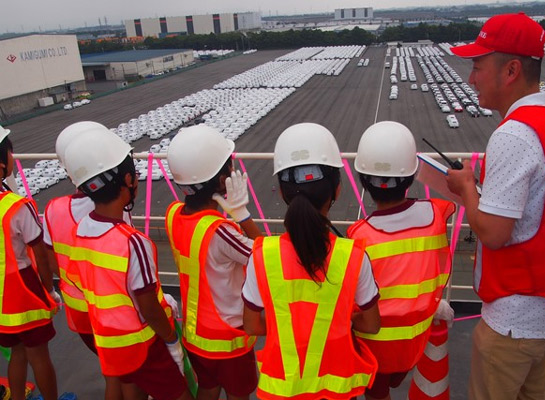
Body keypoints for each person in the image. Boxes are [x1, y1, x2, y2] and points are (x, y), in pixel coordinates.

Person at [447, 12, 545, 400]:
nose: (471, 78)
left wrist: (465, 188)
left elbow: (495, 235)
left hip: (516, 319)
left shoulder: (514, 134)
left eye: (478, 66)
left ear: (511, 70)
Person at [242, 123, 381, 399]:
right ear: (337, 191)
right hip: (338, 391)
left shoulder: (262, 255)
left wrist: (291, 326)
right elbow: (372, 325)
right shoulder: (353, 256)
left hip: (280, 391)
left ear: (282, 193)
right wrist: (342, 320)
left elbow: (251, 326)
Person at [62, 130, 193, 400]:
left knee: (129, 388)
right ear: (128, 179)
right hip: (142, 342)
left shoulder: (81, 230)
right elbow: (147, 304)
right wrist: (170, 340)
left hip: (108, 339)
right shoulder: (133, 242)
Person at [347, 121, 456, 400]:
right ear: (411, 176)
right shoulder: (437, 214)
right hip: (416, 338)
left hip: (376, 344)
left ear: (363, 181)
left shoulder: (358, 235)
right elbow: (458, 196)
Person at [42, 122, 137, 400]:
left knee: (111, 372)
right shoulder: (113, 210)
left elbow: (52, 261)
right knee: (126, 376)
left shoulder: (52, 209)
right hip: (113, 313)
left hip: (79, 311)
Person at [165, 126, 260, 400]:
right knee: (237, 393)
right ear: (222, 182)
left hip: (195, 335)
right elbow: (265, 256)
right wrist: (242, 215)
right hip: (227, 340)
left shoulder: (173, 214)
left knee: (207, 388)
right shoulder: (219, 231)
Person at [0, 124, 59, 400]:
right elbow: (40, 252)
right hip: (23, 290)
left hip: (1, 296)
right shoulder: (16, 206)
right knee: (39, 356)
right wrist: (48, 288)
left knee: (17, 354)